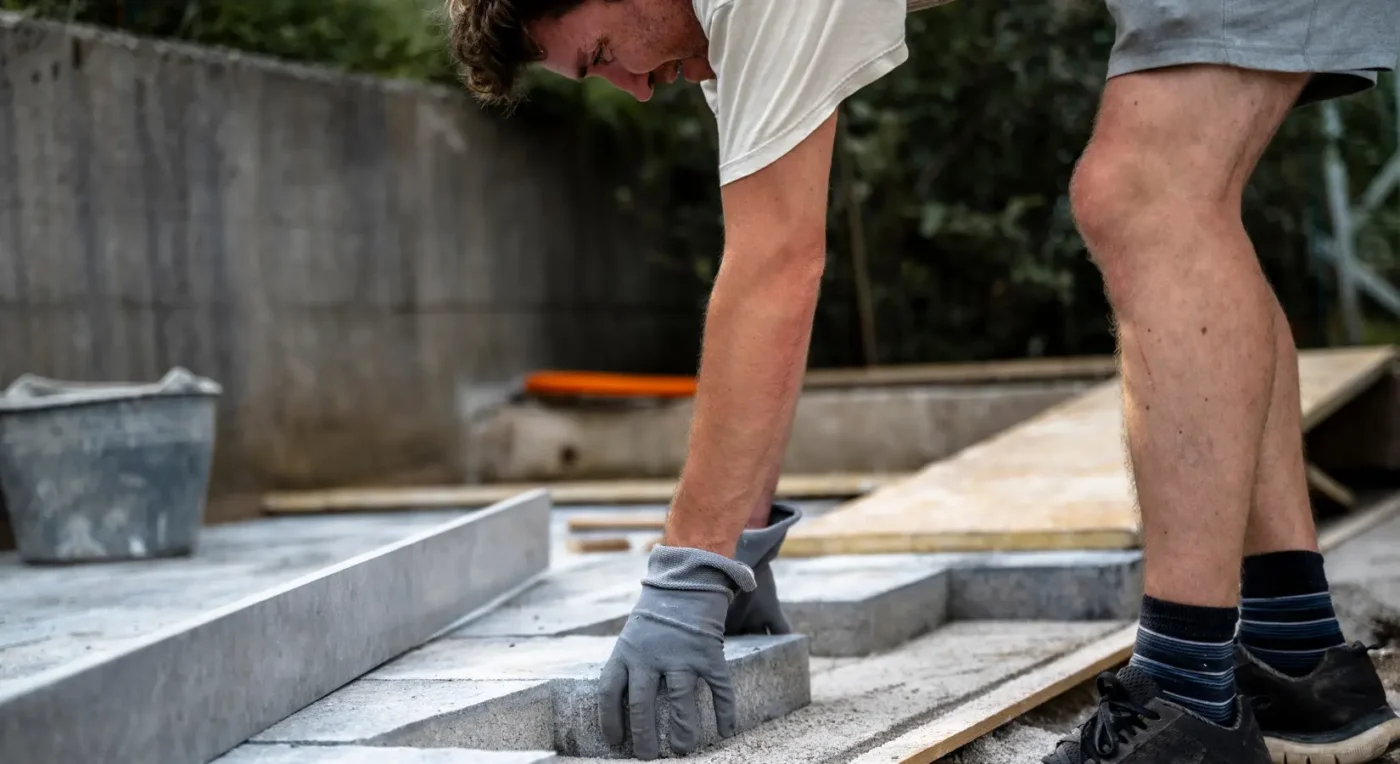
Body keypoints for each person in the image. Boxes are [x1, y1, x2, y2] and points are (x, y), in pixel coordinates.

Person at [441, 0, 1400, 761]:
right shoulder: (712, 30)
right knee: (1177, 200)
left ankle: (1188, 694)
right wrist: (728, 543)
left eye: (604, 50)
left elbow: (778, 266)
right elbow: (766, 269)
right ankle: (1299, 658)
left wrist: (688, 573)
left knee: (1149, 191)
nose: (633, 90)